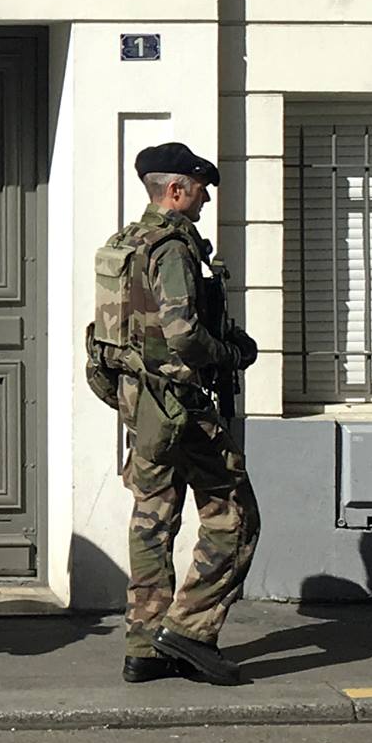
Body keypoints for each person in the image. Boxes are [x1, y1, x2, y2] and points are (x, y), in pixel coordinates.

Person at [87, 142, 261, 686]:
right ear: (176, 190)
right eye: (201, 190)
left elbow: (116, 333)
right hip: (179, 404)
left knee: (152, 520)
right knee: (235, 516)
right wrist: (232, 353)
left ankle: (144, 648)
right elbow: (182, 333)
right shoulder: (172, 247)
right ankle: (188, 633)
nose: (206, 201)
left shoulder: (124, 243)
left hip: (140, 405)